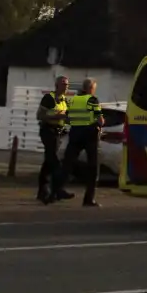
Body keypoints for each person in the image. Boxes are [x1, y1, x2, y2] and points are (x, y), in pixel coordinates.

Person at [62, 78, 105, 208]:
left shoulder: (74, 100)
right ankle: (88, 199)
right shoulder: (92, 100)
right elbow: (100, 120)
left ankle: (55, 190)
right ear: (91, 89)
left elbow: (67, 118)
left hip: (75, 135)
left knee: (67, 163)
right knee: (92, 168)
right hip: (90, 137)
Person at [36, 75, 70, 204]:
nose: (66, 87)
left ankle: (43, 191)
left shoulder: (64, 100)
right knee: (54, 161)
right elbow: (40, 115)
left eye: (67, 84)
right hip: (48, 130)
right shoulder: (49, 98)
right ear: (57, 85)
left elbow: (66, 117)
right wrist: (58, 116)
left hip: (58, 132)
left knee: (48, 162)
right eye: (63, 84)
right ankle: (57, 190)